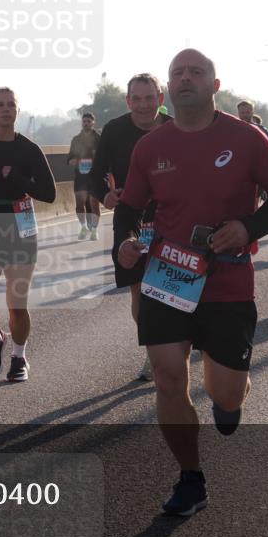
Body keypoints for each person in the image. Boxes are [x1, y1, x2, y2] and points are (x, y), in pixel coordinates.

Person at [116, 49, 268, 517]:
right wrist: (125, 241)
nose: (185, 79)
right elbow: (129, 207)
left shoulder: (246, 137)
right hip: (167, 275)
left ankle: (229, 399)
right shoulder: (151, 147)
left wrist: (248, 228)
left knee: (225, 393)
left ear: (214, 86)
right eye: (178, 72)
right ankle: (190, 479)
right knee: (168, 377)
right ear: (168, 90)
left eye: (196, 72)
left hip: (227, 282)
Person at [0, 87, 56, 382]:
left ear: (17, 111)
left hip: (19, 223)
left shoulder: (29, 149)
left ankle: (19, 357)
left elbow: (50, 193)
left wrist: (16, 178)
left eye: (10, 105)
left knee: (17, 302)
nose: (5, 109)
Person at [89, 73, 170, 382]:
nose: (144, 105)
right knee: (141, 291)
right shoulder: (114, 130)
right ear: (128, 101)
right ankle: (153, 355)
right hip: (130, 216)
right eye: (137, 99)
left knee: (171, 287)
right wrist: (105, 195)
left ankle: (180, 342)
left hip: (170, 217)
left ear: (160, 99)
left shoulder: (175, 128)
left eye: (150, 98)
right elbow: (96, 174)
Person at [67, 113, 101, 240]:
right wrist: (72, 161)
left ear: (93, 123)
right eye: (84, 121)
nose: (86, 123)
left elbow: (104, 157)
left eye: (88, 121)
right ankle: (83, 227)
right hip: (80, 176)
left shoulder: (99, 139)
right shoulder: (76, 139)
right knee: (79, 204)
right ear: (82, 123)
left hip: (94, 177)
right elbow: (70, 157)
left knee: (94, 204)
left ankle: (95, 230)